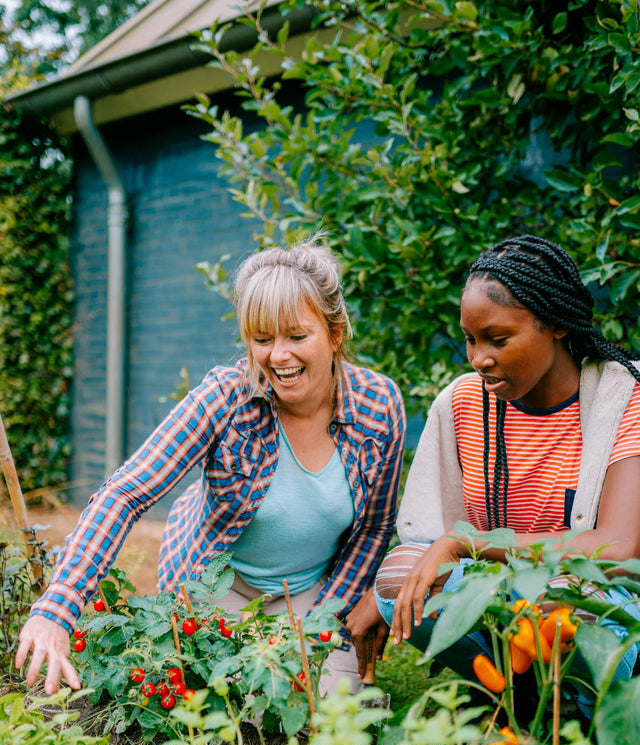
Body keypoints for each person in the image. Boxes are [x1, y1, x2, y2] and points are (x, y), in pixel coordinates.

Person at [16, 239, 406, 696]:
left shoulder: (379, 407)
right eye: (262, 339)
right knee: (244, 703)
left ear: (335, 333)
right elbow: (126, 492)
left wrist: (322, 619)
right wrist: (57, 608)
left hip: (310, 589)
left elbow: (375, 529)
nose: (278, 356)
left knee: (332, 712)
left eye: (297, 336)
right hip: (217, 586)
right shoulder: (225, 398)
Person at [373, 234, 640, 704]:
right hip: (504, 594)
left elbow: (615, 547)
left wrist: (463, 542)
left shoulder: (621, 397)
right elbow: (426, 538)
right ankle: (508, 698)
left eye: (498, 339)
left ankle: (583, 717)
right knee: (400, 575)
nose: (479, 359)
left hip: (603, 603)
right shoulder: (464, 403)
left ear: (555, 325)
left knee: (560, 597)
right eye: (470, 340)